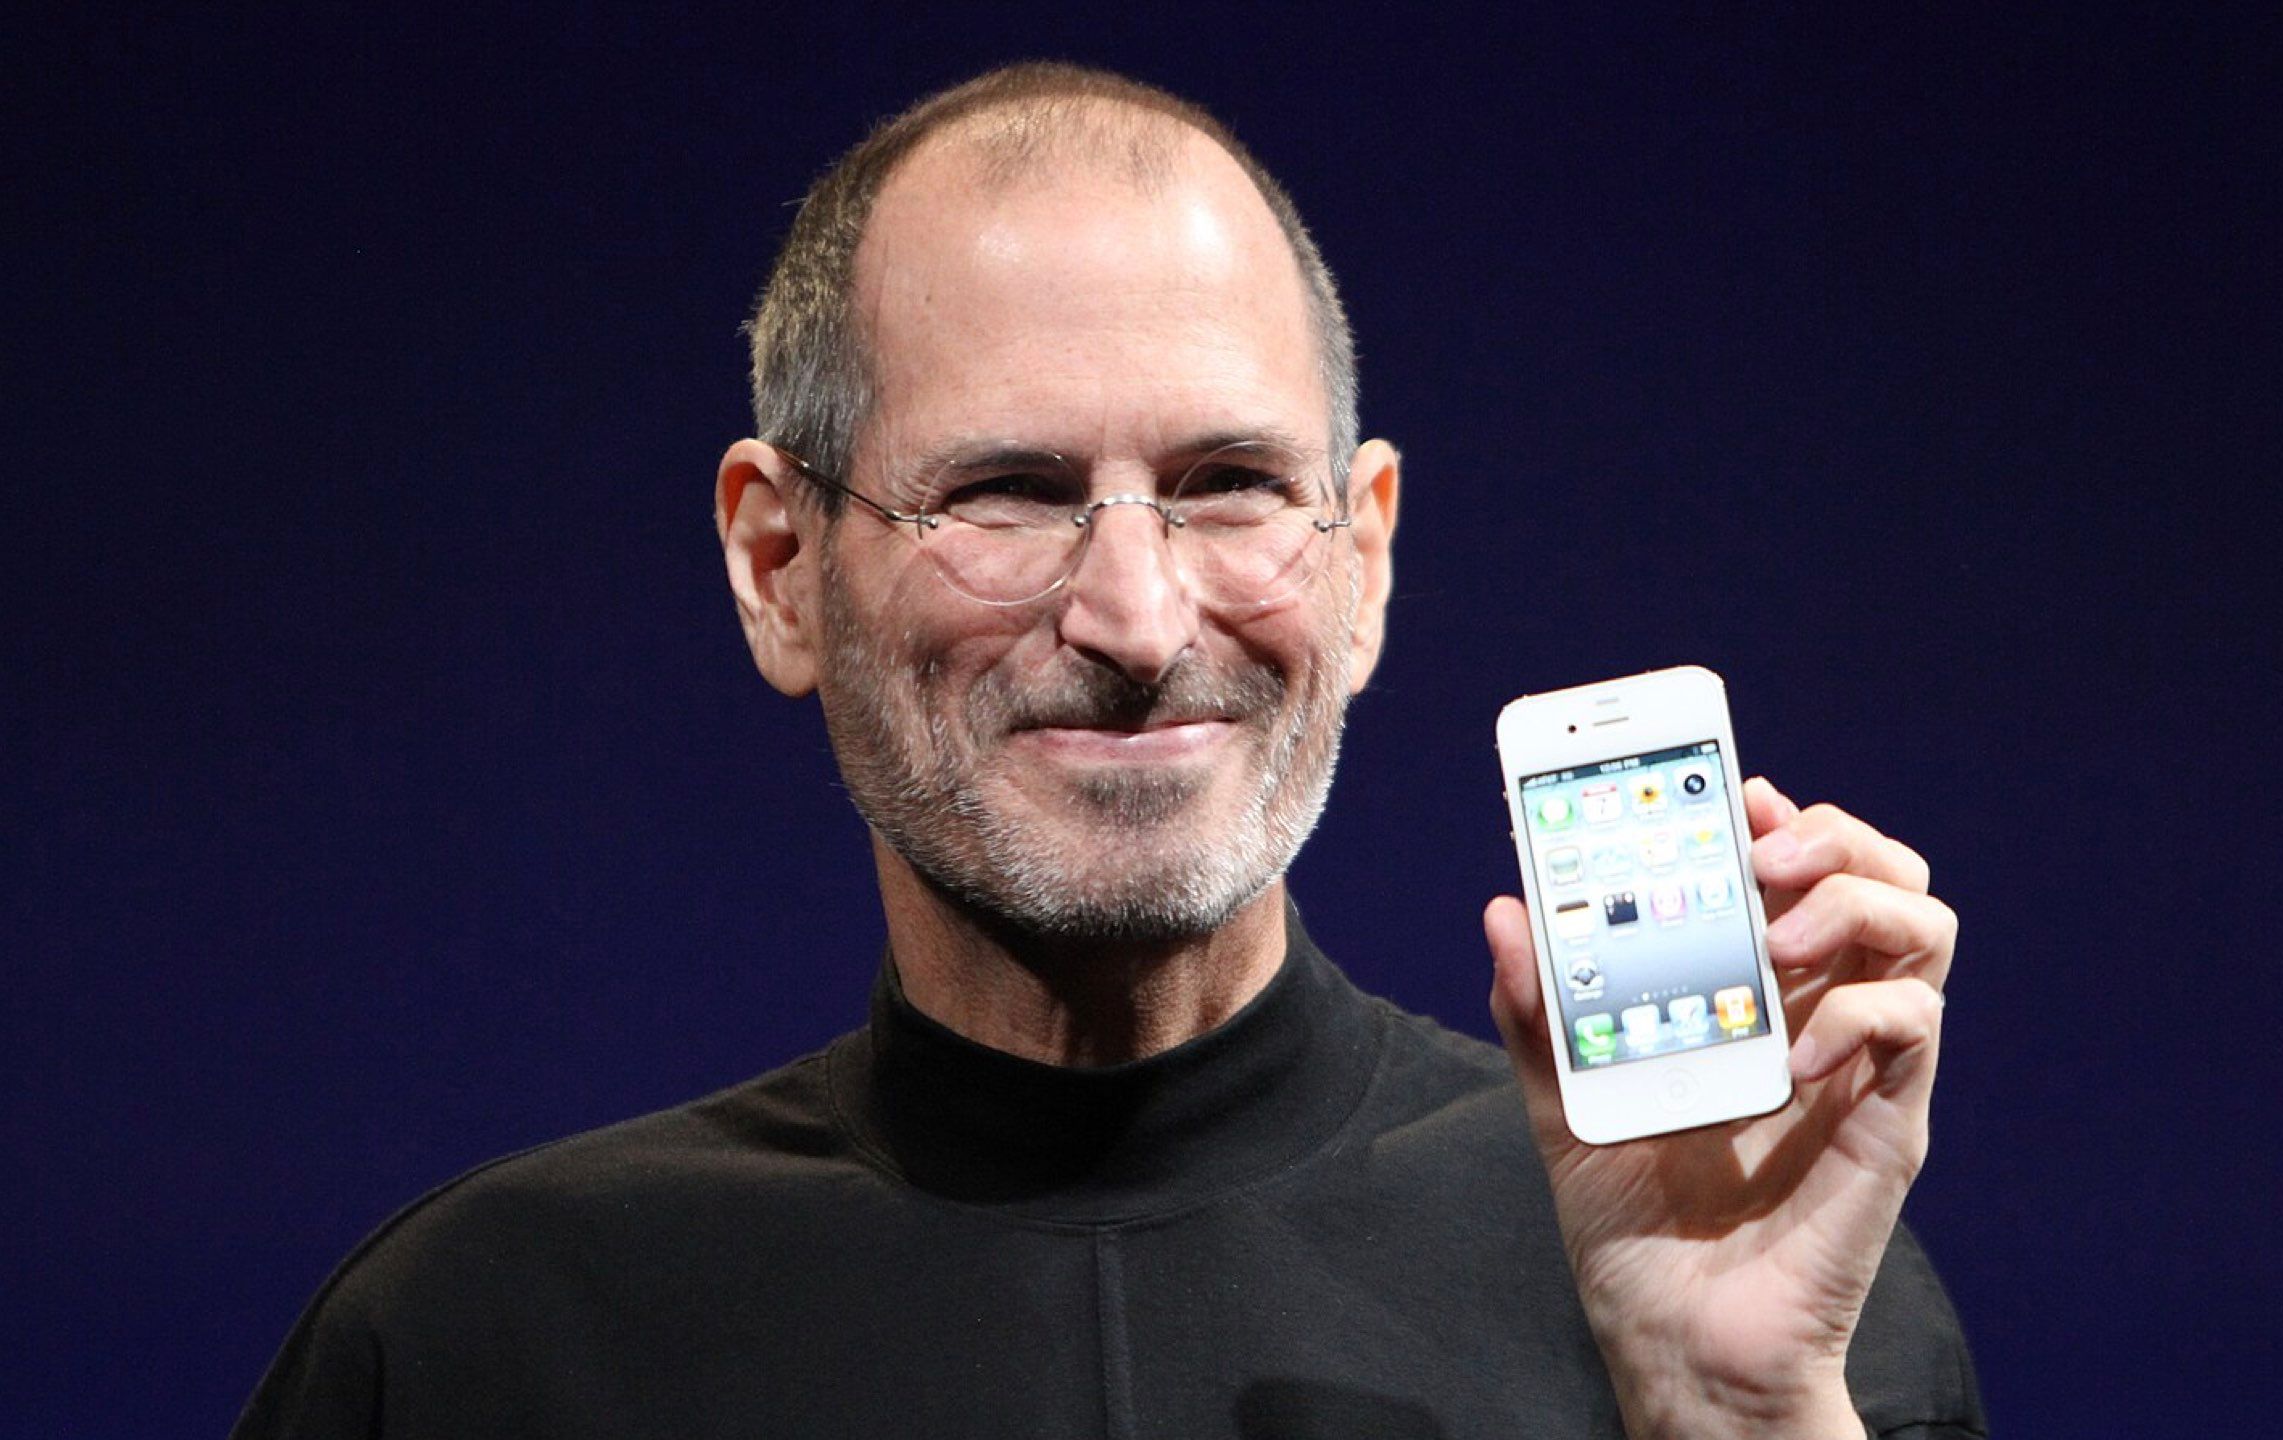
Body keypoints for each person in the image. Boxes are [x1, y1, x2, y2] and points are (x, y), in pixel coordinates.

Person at [236, 62, 1982, 1439]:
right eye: (1005, 494)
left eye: (1231, 486)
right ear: (781, 568)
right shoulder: (482, 1346)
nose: (1141, 623)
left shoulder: (1758, 1283)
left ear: (1361, 561)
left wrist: (1734, 1421)